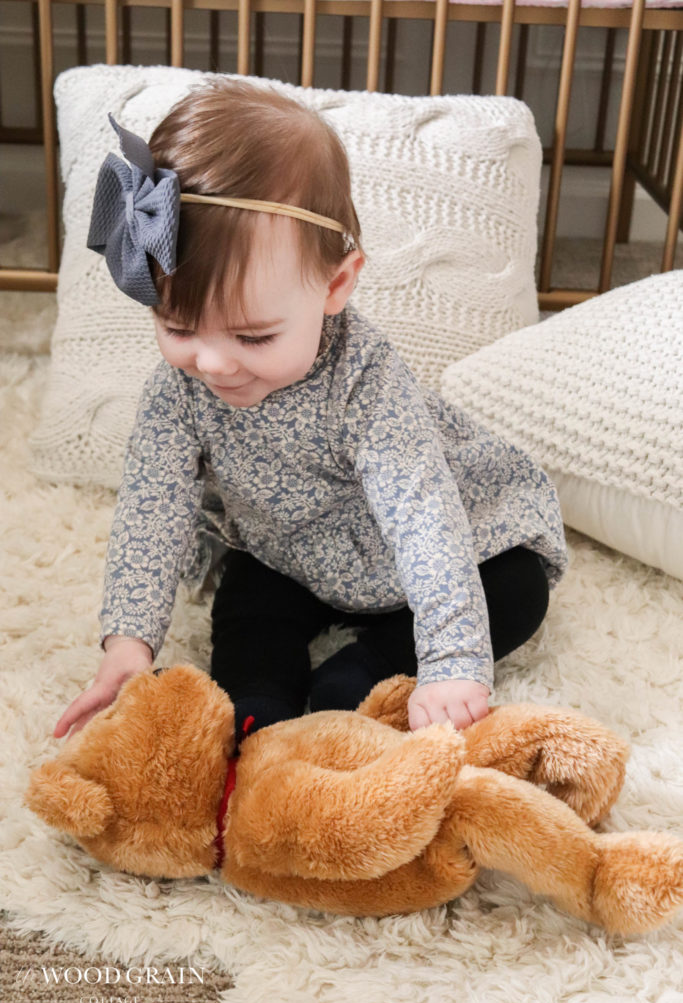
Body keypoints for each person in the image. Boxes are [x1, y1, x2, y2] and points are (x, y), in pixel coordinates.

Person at [54, 79, 568, 744]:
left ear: (335, 284)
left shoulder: (366, 379)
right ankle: (256, 708)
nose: (212, 363)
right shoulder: (177, 391)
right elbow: (152, 510)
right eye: (178, 327)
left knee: (518, 590)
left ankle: (364, 672)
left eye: (252, 336)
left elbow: (423, 517)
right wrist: (127, 646)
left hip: (415, 550)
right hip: (286, 552)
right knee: (246, 598)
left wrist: (451, 663)